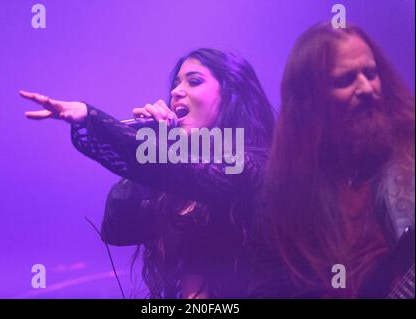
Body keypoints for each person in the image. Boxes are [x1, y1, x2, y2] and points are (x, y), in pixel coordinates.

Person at [21, 48, 275, 298]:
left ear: (231, 95)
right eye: (175, 84)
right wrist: (151, 139)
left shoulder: (254, 163)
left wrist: (93, 118)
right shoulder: (173, 169)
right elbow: (117, 228)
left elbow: (190, 174)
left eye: (194, 81)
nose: (176, 91)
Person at [250, 23, 414, 298]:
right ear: (310, 101)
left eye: (371, 73)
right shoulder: (283, 197)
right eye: (344, 80)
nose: (366, 88)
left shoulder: (406, 154)